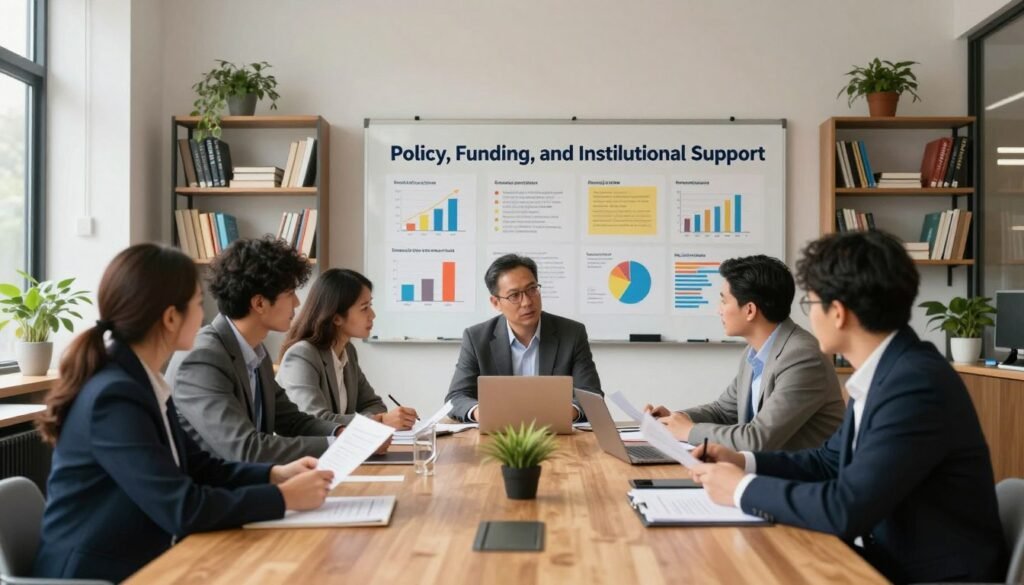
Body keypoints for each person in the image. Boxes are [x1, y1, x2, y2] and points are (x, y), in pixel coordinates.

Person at [690, 231, 1007, 584]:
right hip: (880, 557)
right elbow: (827, 461)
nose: (807, 319)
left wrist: (740, 489)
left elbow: (846, 507)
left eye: (810, 304)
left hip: (926, 575)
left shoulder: (915, 385)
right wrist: (743, 461)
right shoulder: (884, 371)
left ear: (837, 313)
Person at [31, 244, 332, 583]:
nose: (203, 316)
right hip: (101, 574)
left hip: (145, 558)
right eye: (197, 304)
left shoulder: (142, 380)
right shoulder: (114, 397)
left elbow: (200, 467)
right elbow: (183, 508)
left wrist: (274, 475)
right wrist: (281, 498)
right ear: (171, 317)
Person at [168, 237, 367, 464]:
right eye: (290, 293)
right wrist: (340, 444)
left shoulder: (255, 353)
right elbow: (246, 449)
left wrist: (341, 433)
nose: (297, 303)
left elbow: (292, 420)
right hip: (212, 492)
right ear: (259, 303)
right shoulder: (202, 358)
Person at [645, 255, 844, 450]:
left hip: (802, 480)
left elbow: (757, 439)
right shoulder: (754, 353)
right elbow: (723, 412)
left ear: (749, 310)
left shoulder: (802, 358)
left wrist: (689, 431)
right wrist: (674, 420)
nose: (719, 310)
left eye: (724, 301)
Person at [445, 253, 602, 423]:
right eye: (514, 296)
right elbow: (456, 397)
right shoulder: (476, 338)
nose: (527, 302)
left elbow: (591, 395)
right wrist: (480, 412)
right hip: (498, 436)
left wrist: (562, 413)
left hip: (556, 433)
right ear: (496, 303)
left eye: (532, 289)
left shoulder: (571, 333)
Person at [277, 268, 418, 429]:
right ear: (336, 318)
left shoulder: (347, 351)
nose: (372, 315)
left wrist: (374, 419)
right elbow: (315, 420)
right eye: (364, 308)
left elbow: (374, 404)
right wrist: (378, 421)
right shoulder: (302, 355)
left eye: (370, 305)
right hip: (309, 453)